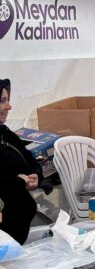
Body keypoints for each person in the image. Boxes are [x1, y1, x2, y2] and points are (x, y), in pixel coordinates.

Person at [0, 79, 47, 243]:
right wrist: (17, 181)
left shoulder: (4, 133)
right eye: (2, 101)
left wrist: (35, 175)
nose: (9, 106)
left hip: (13, 238)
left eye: (7, 100)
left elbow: (28, 159)